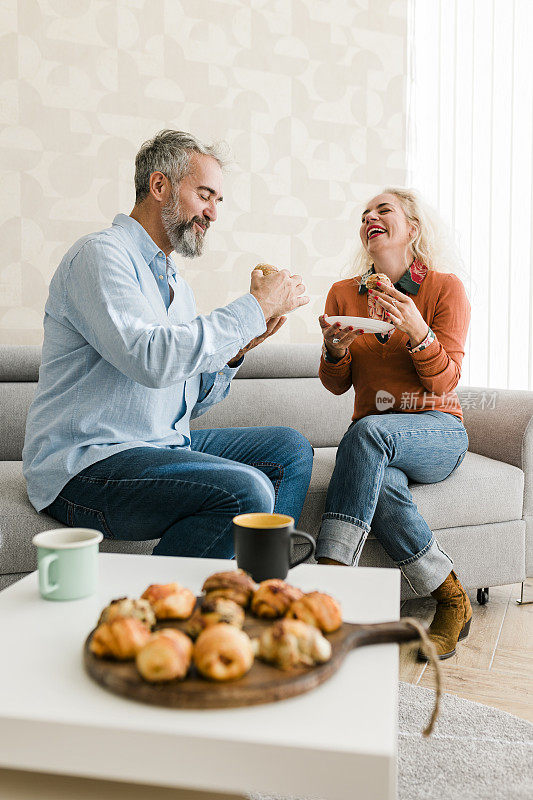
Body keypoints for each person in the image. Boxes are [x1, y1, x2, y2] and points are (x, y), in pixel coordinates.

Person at [23, 129, 314, 559]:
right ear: (160, 186)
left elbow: (183, 401)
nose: (213, 213)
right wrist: (253, 306)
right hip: (87, 466)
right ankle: (166, 615)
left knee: (289, 450)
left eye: (218, 201)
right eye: (205, 195)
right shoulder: (101, 257)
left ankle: (259, 592)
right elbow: (151, 361)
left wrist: (238, 349)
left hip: (159, 443)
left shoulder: (174, 282)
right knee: (245, 492)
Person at [316, 187, 471, 660]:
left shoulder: (444, 289)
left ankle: (329, 584)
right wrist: (336, 351)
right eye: (364, 214)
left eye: (383, 210)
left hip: (437, 430)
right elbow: (336, 385)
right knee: (377, 476)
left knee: (364, 434)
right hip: (376, 440)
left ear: (413, 228)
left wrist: (416, 330)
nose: (370, 218)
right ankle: (451, 598)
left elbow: (446, 379)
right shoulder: (345, 293)